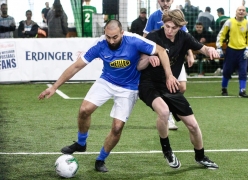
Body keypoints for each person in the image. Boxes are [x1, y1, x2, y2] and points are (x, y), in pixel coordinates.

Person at [38, 19, 179, 172]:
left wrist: (169, 75)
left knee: (117, 128)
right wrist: (54, 87)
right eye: (108, 37)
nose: (111, 41)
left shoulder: (133, 40)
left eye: (115, 37)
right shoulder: (100, 44)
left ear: (122, 33)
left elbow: (161, 50)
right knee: (84, 110)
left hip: (129, 88)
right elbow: (76, 66)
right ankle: (81, 143)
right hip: (106, 81)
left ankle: (100, 159)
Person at [138, 9, 219, 170]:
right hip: (149, 84)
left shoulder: (184, 37)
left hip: (170, 85)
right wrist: (148, 58)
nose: (169, 31)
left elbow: (202, 49)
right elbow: (139, 65)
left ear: (180, 27)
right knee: (163, 111)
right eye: (167, 26)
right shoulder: (153, 37)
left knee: (193, 126)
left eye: (173, 28)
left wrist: (209, 50)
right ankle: (167, 150)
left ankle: (200, 156)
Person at [143, 0, 195, 130]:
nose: (165, 3)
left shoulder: (178, 15)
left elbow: (186, 38)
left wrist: (190, 54)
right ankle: (168, 115)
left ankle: (170, 110)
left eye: (168, 0)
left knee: (181, 87)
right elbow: (145, 37)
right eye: (162, 0)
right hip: (160, 59)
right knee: (166, 87)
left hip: (176, 58)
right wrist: (148, 55)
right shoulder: (154, 16)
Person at [216, 6, 248, 98]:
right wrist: (219, 47)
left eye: (243, 10)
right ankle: (224, 88)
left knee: (243, 71)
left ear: (245, 13)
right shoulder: (229, 22)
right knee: (227, 71)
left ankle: (242, 91)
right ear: (236, 12)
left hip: (243, 51)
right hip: (231, 50)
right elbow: (221, 34)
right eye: (239, 10)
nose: (241, 12)